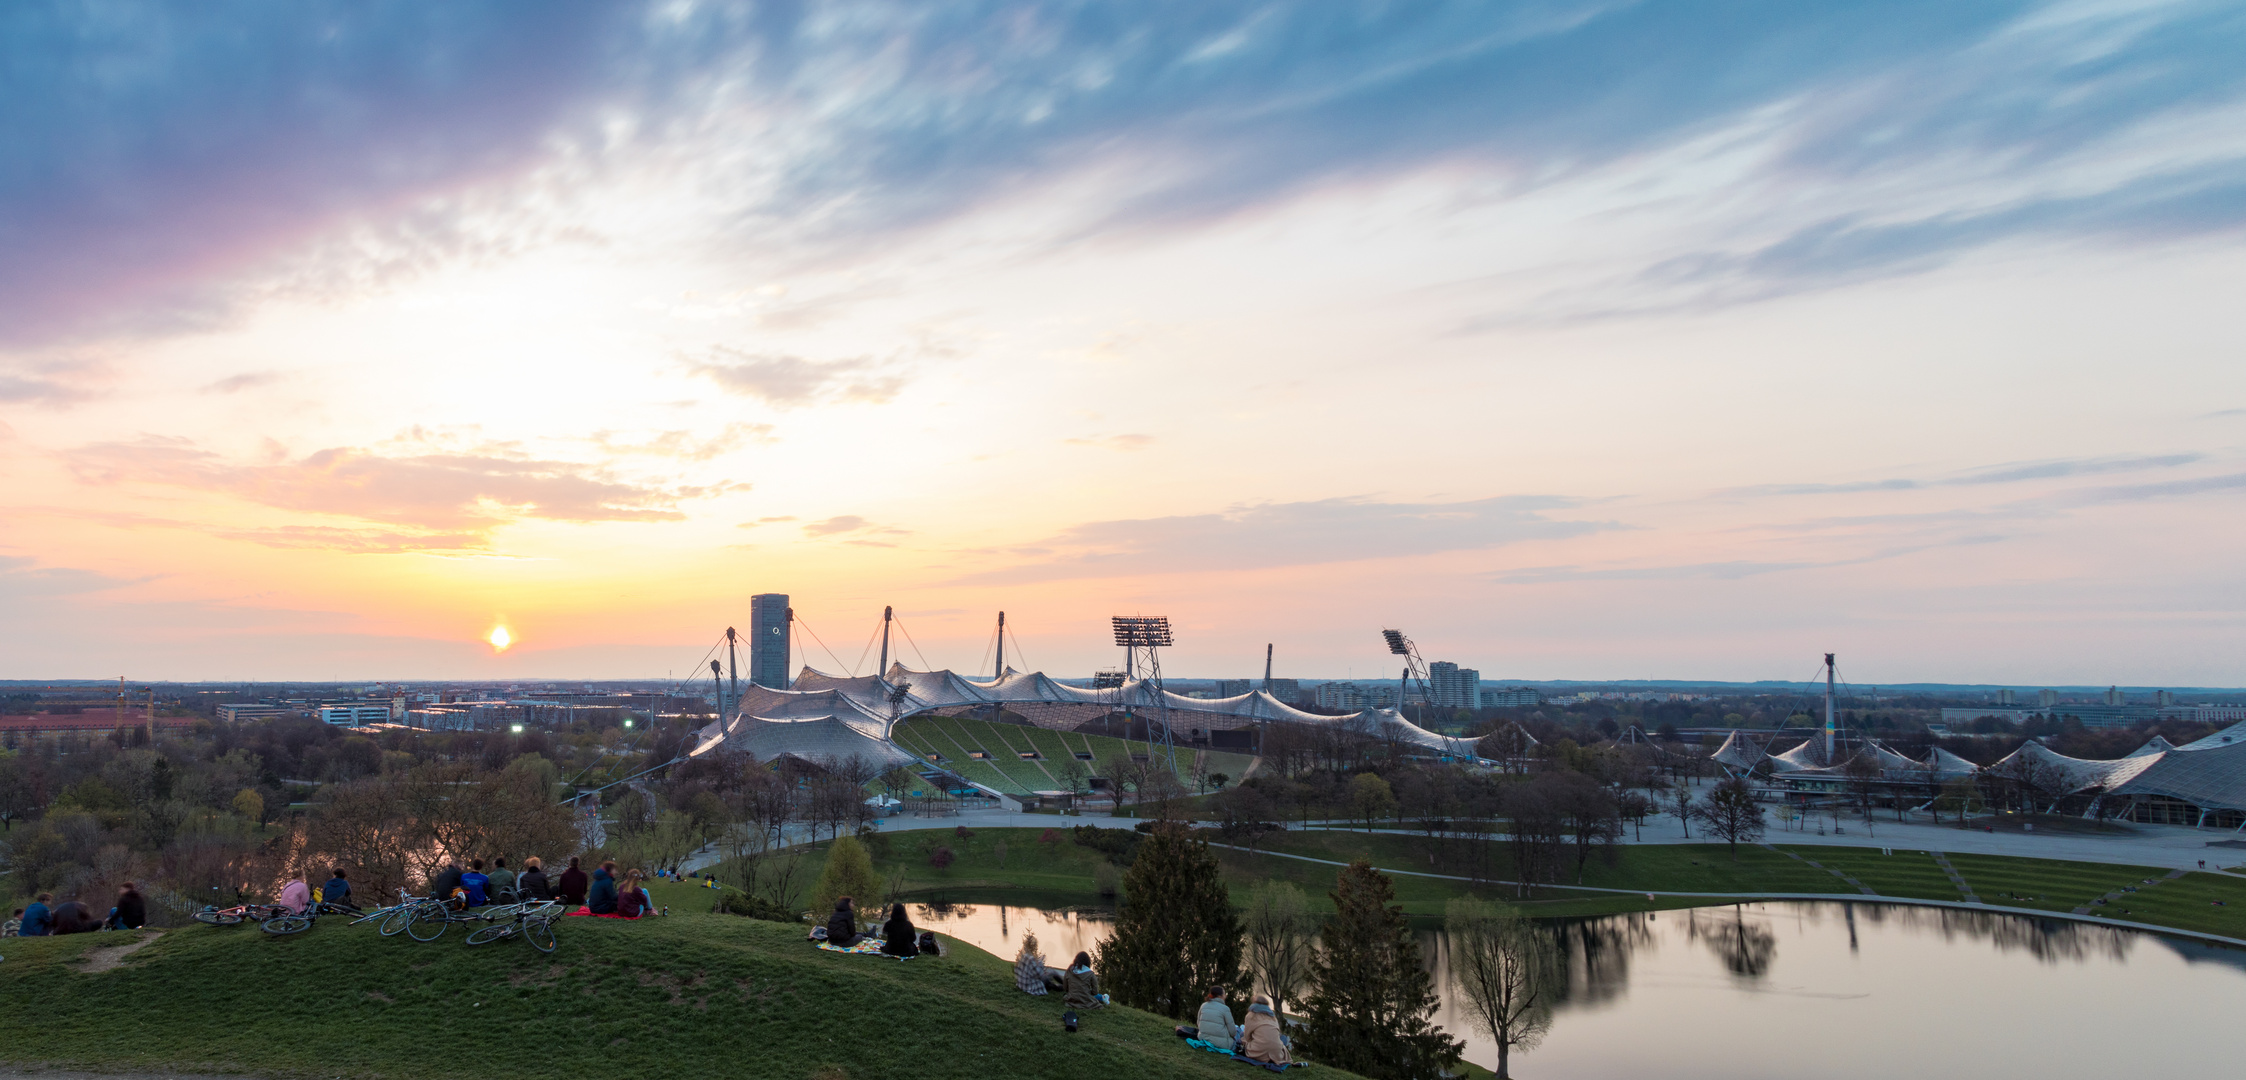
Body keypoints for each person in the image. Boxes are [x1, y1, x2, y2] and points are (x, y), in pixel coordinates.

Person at [1240, 995, 1289, 1065]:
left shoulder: (1251, 1015)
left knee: (1241, 1034)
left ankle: (1265, 1052)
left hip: (1257, 1052)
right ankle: (1274, 1052)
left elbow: (1247, 1037)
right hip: (1276, 1054)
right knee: (1283, 1038)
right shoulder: (1273, 1017)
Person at [1189, 986, 1239, 1052]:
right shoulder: (1225, 1009)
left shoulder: (1203, 1005)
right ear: (1220, 996)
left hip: (1202, 1038)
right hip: (1222, 1044)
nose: (1225, 996)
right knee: (1239, 1030)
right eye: (1224, 994)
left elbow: (1198, 1023)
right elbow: (1233, 1032)